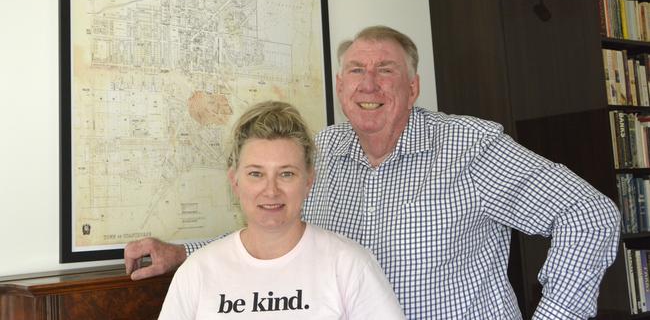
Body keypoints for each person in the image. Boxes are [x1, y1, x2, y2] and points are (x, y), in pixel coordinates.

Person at [126, 26, 621, 319]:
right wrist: (183, 254)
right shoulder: (325, 152)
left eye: (385, 70)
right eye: (356, 70)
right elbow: (271, 217)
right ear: (341, 86)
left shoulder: (468, 148)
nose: (369, 83)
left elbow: (589, 215)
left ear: (413, 85)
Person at [157, 100, 405, 319]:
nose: (271, 190)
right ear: (234, 181)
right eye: (256, 174)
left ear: (309, 181)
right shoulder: (197, 272)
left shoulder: (349, 265)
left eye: (286, 174)